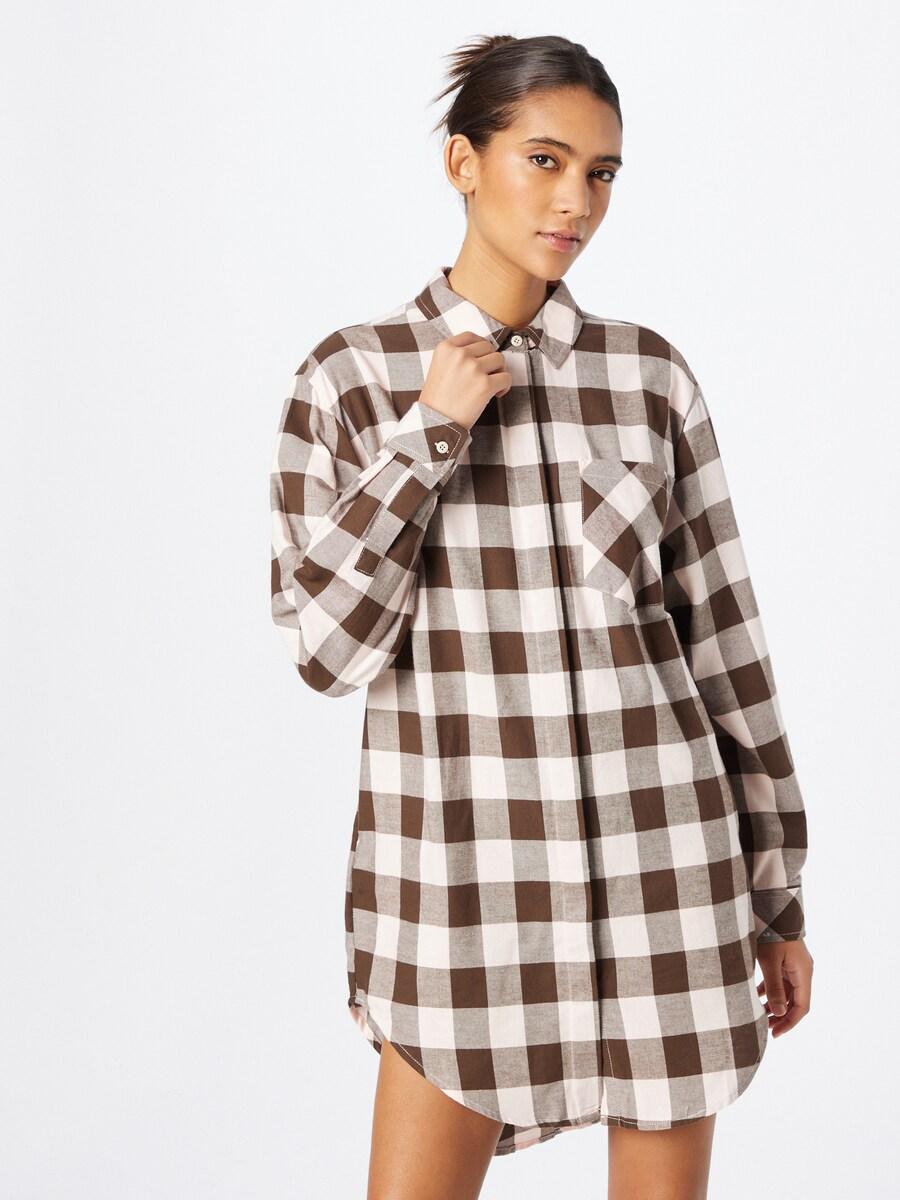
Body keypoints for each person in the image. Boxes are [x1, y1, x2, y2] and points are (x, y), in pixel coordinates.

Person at [269, 32, 813, 1200]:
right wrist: (429, 435)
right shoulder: (350, 379)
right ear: (464, 162)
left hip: (666, 880)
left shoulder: (649, 379)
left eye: (601, 173)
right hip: (464, 899)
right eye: (546, 161)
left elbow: (726, 650)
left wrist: (777, 900)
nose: (577, 201)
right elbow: (324, 649)